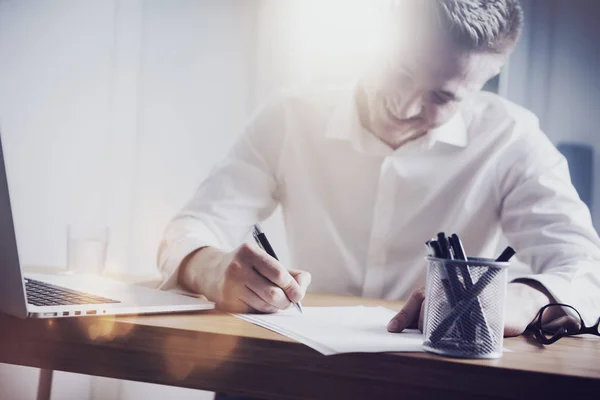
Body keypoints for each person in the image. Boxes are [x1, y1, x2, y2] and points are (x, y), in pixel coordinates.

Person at [158, 0, 600, 344]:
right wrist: (213, 270)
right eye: (399, 69)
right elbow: (192, 226)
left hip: (435, 379)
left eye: (441, 97)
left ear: (490, 76)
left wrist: (517, 299)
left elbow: (587, 270)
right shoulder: (290, 116)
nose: (404, 107)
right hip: (293, 361)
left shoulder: (512, 139)